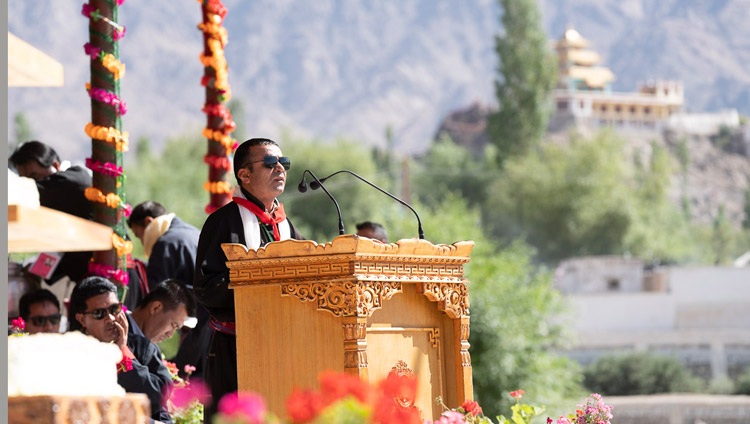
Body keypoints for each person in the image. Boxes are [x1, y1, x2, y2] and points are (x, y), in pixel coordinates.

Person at [194, 137, 304, 420]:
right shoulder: (223, 222)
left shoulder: (286, 225)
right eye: (270, 163)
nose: (280, 169)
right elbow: (206, 288)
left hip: (284, 345)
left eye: (284, 163)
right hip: (236, 346)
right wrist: (259, 292)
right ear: (244, 175)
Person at [69, 276, 173, 424]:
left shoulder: (142, 348)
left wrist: (122, 353)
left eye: (114, 309)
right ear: (81, 319)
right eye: (99, 313)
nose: (111, 318)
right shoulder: (71, 353)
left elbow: (157, 400)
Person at [127, 201, 210, 380]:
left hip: (201, 324)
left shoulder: (165, 242)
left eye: (138, 234)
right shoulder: (192, 232)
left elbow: (152, 296)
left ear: (148, 222)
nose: (142, 241)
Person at [9, 140, 93, 285]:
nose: (34, 185)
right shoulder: (58, 207)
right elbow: (61, 248)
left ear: (55, 166)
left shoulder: (74, 181)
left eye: (34, 177)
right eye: (25, 180)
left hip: (114, 273)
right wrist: (37, 269)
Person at [127, 201, 201, 289]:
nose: (142, 243)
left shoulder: (164, 245)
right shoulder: (194, 232)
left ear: (148, 222)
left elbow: (158, 294)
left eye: (139, 236)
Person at [127, 279, 196, 344]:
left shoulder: (154, 353)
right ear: (156, 308)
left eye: (176, 329)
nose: (170, 335)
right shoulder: (118, 333)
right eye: (173, 325)